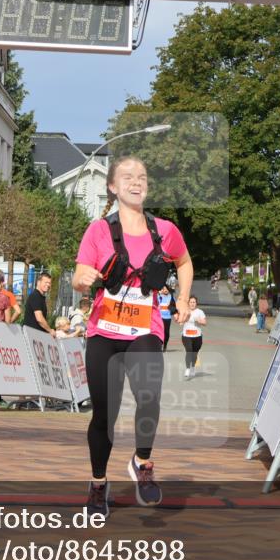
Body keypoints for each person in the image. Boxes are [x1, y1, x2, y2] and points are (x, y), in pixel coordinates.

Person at [72, 156, 193, 516]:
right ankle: (97, 485)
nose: (136, 181)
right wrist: (83, 279)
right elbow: (79, 274)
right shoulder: (98, 231)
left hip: (145, 328)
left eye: (141, 176)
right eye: (127, 177)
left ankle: (142, 461)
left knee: (149, 395)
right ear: (113, 186)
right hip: (104, 330)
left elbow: (184, 262)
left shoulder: (165, 231)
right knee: (104, 413)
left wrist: (183, 299)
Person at [180, 295, 207, 379]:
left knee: (194, 353)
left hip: (197, 336)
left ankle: (193, 367)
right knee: (189, 351)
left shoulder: (200, 312)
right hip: (186, 335)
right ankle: (187, 368)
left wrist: (199, 321)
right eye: (191, 302)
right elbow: (179, 320)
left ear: (196, 303)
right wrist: (180, 320)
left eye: (194, 302)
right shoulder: (185, 311)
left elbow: (205, 323)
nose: (192, 304)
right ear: (188, 303)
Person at [158, 285, 175, 350]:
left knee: (166, 332)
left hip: (168, 318)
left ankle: (165, 345)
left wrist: (170, 306)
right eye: (164, 289)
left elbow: (174, 308)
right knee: (160, 331)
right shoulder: (159, 296)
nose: (165, 290)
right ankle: (160, 345)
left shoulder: (171, 297)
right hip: (160, 317)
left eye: (166, 289)